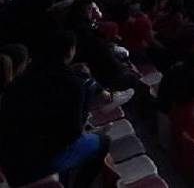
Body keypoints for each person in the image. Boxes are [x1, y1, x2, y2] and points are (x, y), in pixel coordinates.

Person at [0, 30, 111, 188]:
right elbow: (73, 134)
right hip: (38, 162)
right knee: (103, 141)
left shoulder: (22, 78)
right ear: (69, 51)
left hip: (10, 158)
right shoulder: (73, 84)